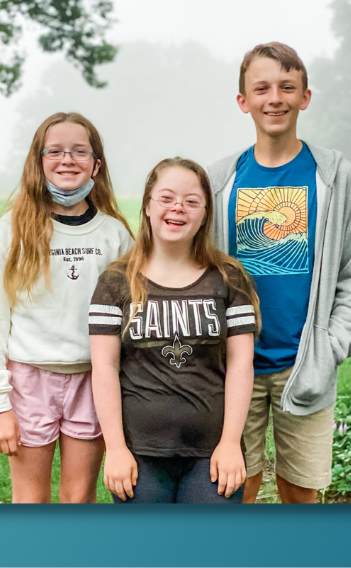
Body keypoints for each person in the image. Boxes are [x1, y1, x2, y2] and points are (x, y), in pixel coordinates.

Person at [207, 42, 351, 503]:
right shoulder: (221, 180)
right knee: (232, 489)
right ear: (243, 101)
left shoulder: (334, 177)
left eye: (287, 87)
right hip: (232, 366)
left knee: (302, 494)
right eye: (261, 88)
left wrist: (332, 343)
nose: (273, 98)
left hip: (305, 366)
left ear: (305, 96)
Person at [0, 112, 134, 503]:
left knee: (79, 498)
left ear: (96, 164)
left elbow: (131, 320)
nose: (67, 160)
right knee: (30, 499)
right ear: (38, 160)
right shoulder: (13, 230)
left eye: (80, 151)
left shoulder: (115, 234)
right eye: (55, 151)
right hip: (29, 380)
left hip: (93, 381)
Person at [89, 158, 259, 504]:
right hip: (139, 454)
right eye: (166, 198)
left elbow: (241, 365)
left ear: (205, 212)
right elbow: (104, 368)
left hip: (212, 453)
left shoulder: (228, 278)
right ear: (148, 206)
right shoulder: (115, 281)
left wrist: (229, 444)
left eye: (191, 201)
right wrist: (116, 449)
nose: (177, 208)